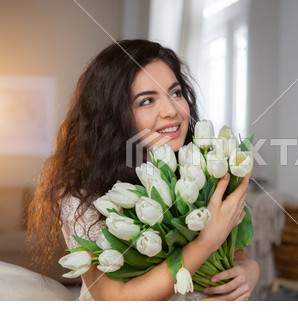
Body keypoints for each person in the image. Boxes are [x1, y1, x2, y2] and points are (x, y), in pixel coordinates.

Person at [26, 39, 259, 301]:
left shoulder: (205, 167)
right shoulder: (83, 194)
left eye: (175, 93)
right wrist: (206, 242)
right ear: (114, 115)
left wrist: (249, 269)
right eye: (147, 100)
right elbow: (113, 300)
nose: (171, 110)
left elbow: (237, 252)